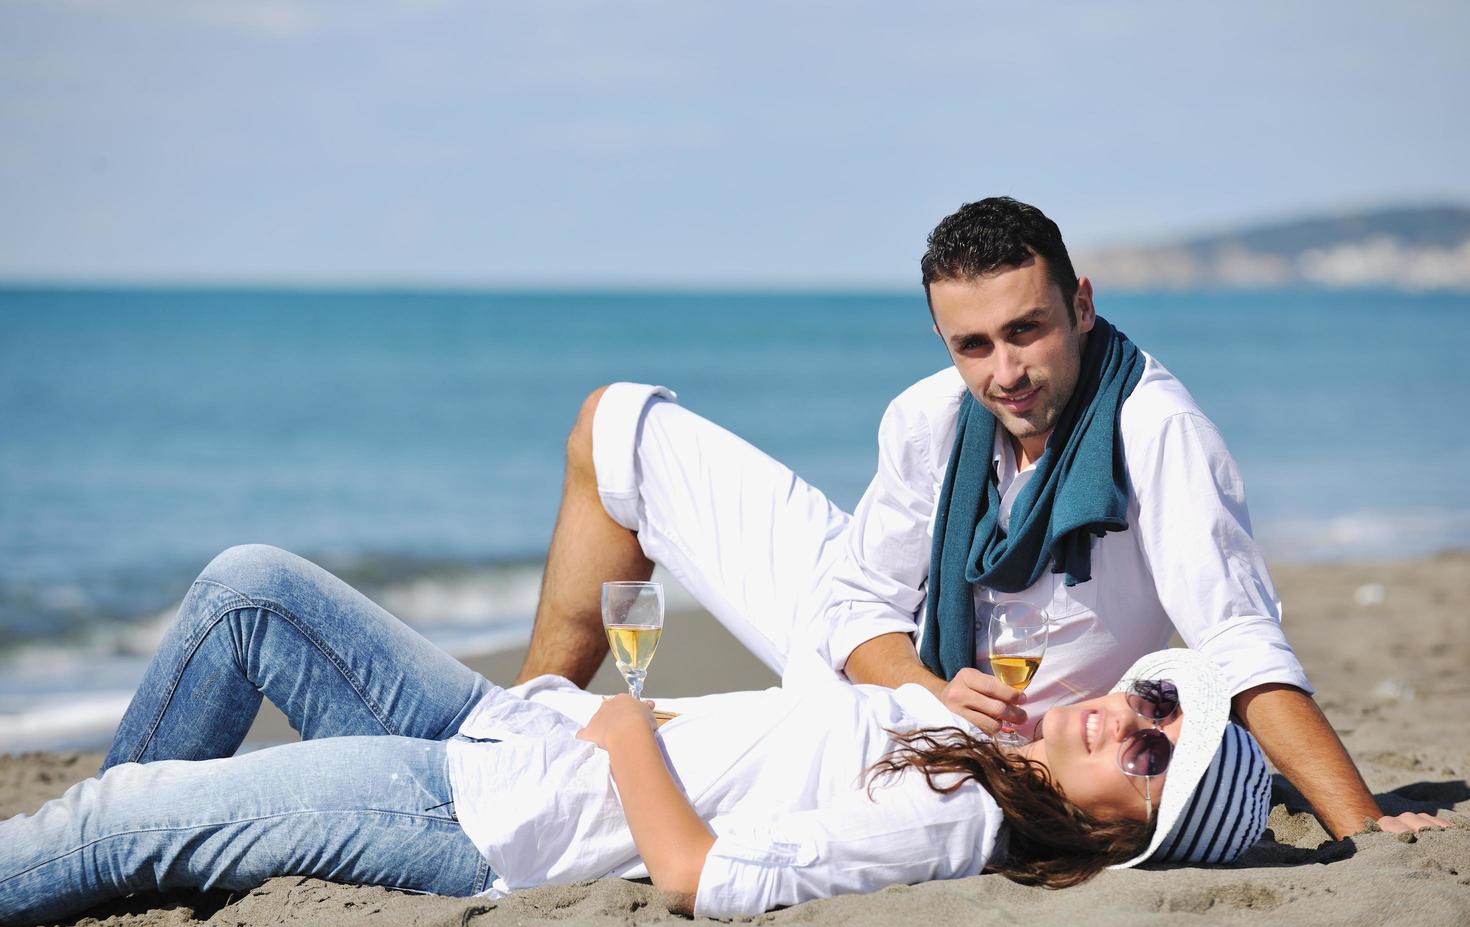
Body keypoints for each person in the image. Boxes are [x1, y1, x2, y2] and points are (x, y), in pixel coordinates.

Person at [513, 196, 1452, 839]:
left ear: (1080, 305)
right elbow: (850, 603)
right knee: (617, 425)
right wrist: (924, 681)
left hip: (1000, 749)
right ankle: (520, 727)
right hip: (906, 681)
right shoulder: (931, 417)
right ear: (942, 339)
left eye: (1026, 330)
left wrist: (1360, 824)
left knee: (697, 745)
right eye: (973, 344)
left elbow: (1238, 640)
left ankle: (531, 764)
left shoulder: (1157, 428)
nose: (1004, 371)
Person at [3, 545, 1269, 926]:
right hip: (511, 729)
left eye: (1154, 753)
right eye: (1157, 700)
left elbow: (706, 876)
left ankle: (111, 846)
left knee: (112, 818)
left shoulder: (958, 815)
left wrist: (626, 735)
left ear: (1120, 833)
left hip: (484, 811)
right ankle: (131, 852)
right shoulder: (978, 746)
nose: (1135, 716)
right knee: (250, 589)